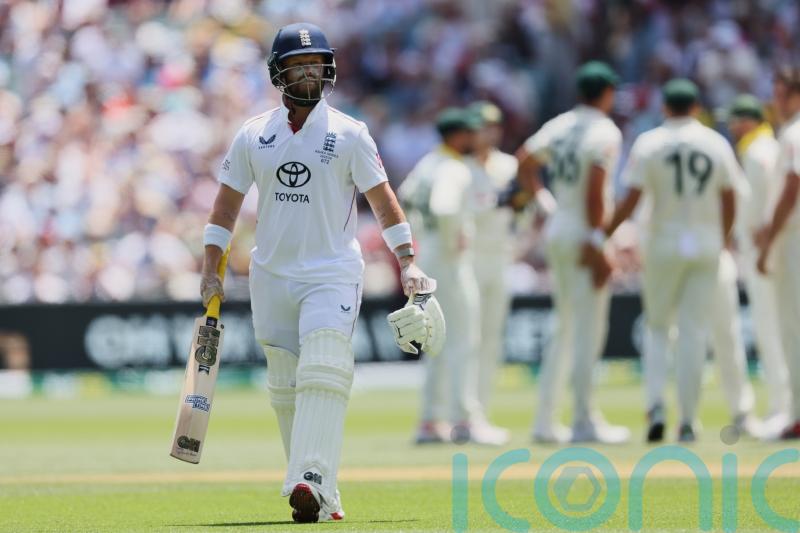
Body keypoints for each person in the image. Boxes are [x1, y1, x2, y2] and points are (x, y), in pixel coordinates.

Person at [199, 23, 443, 523]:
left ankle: (306, 479)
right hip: (272, 274)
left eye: (316, 64)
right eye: (298, 65)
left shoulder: (350, 133)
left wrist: (408, 261)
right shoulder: (253, 134)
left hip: (331, 271)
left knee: (325, 363)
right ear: (278, 73)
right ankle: (322, 488)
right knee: (286, 384)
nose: (309, 72)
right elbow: (224, 210)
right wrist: (210, 269)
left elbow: (383, 201)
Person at [606, 79, 742, 442]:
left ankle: (656, 406)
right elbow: (730, 198)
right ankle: (688, 419)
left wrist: (606, 232)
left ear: (665, 107)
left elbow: (632, 197)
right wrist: (724, 238)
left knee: (657, 327)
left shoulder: (650, 142)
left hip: (663, 242)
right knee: (694, 331)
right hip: (704, 242)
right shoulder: (715, 142)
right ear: (696, 107)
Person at [516, 61, 630, 444]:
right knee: (588, 329)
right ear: (607, 93)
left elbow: (524, 161)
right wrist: (598, 243)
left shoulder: (560, 124)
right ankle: (584, 419)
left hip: (559, 225)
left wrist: (546, 205)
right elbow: (597, 189)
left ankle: (545, 421)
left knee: (566, 326)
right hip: (585, 231)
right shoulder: (605, 130)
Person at [399, 107, 485, 444]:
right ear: (459, 135)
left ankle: (431, 421)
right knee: (463, 338)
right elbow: (445, 207)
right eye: (472, 132)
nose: (476, 138)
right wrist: (454, 237)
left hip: (428, 255)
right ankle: (464, 420)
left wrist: (424, 232)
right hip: (449, 260)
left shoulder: (427, 163)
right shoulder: (453, 167)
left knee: (435, 340)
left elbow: (405, 196)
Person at [726, 95, 790, 438]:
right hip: (769, 246)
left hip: (765, 248)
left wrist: (764, 238)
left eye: (736, 120)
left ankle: (783, 407)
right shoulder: (764, 146)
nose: (732, 127)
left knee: (772, 329)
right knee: (774, 328)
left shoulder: (757, 150)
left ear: (748, 120)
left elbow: (767, 197)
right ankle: (783, 405)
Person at [464, 101, 518, 445]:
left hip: (500, 258)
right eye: (481, 126)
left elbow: (519, 215)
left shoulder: (509, 166)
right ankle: (462, 414)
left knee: (491, 340)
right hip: (468, 258)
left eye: (492, 126)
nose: (487, 132)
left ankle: (480, 412)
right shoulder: (460, 167)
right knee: (466, 339)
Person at [755, 65, 800, 440]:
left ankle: (798, 415)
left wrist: (768, 237)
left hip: (795, 240)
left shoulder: (794, 134)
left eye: (782, 93)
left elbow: (792, 187)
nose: (776, 101)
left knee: (793, 329)